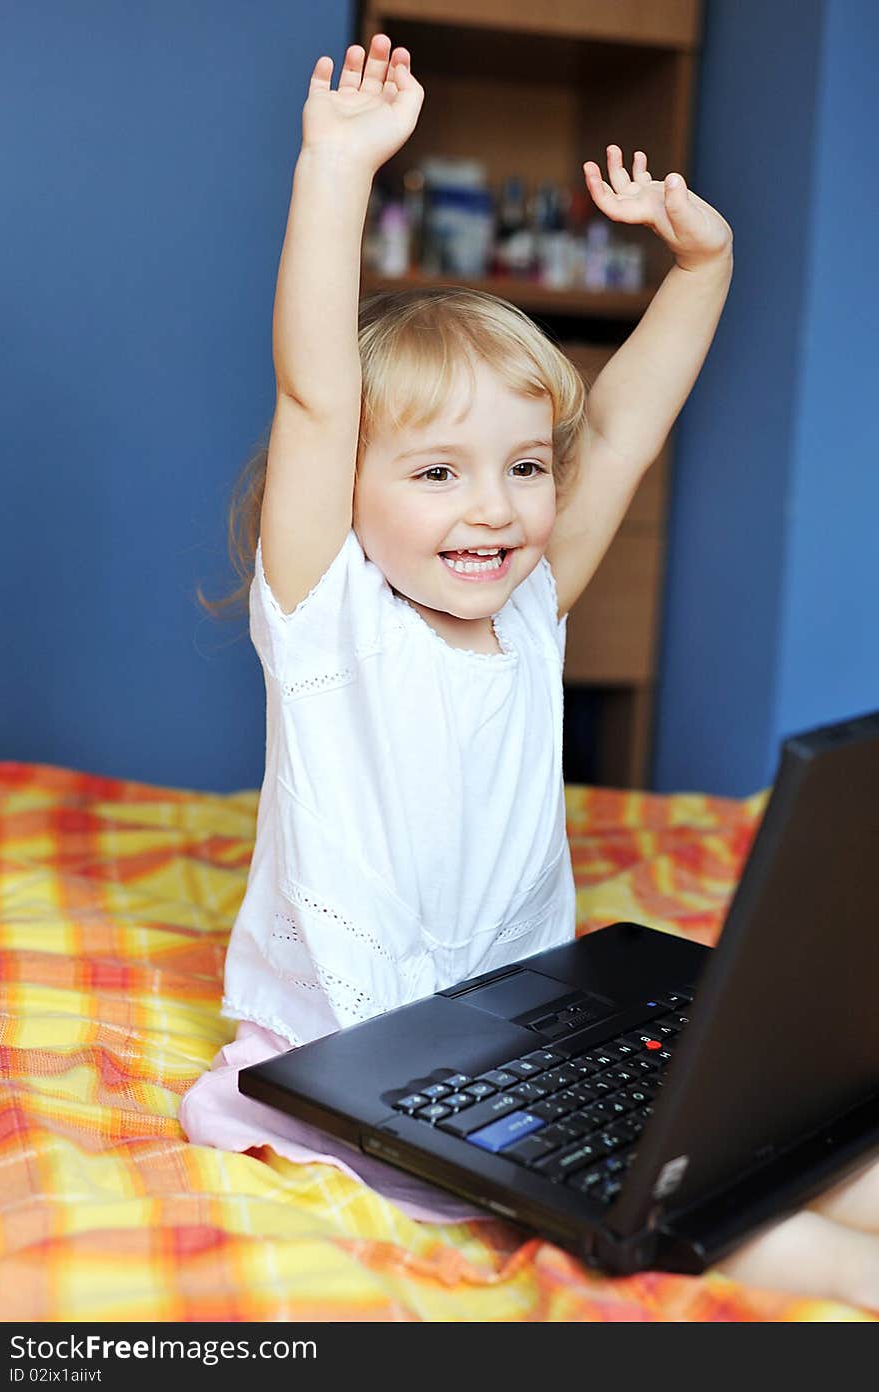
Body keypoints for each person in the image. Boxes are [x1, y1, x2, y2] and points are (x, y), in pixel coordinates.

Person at [181, 34, 879, 1307]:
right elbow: (314, 393)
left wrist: (702, 268)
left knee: (808, 1137)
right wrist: (336, 169)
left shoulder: (529, 613)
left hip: (533, 1030)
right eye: (437, 471)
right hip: (363, 1053)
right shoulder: (331, 623)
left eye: (521, 466)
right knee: (683, 1209)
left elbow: (618, 425)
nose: (491, 509)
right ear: (347, 492)